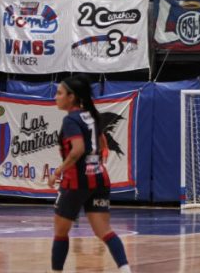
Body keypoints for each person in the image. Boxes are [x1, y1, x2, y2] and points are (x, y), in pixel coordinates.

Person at [47, 75, 132, 273]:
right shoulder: (91, 116)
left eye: (59, 93)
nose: (56, 97)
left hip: (76, 183)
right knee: (104, 231)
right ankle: (125, 269)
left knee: (60, 233)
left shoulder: (70, 120)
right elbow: (103, 144)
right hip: (100, 179)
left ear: (71, 97)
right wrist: (94, 162)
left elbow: (77, 150)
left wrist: (57, 172)